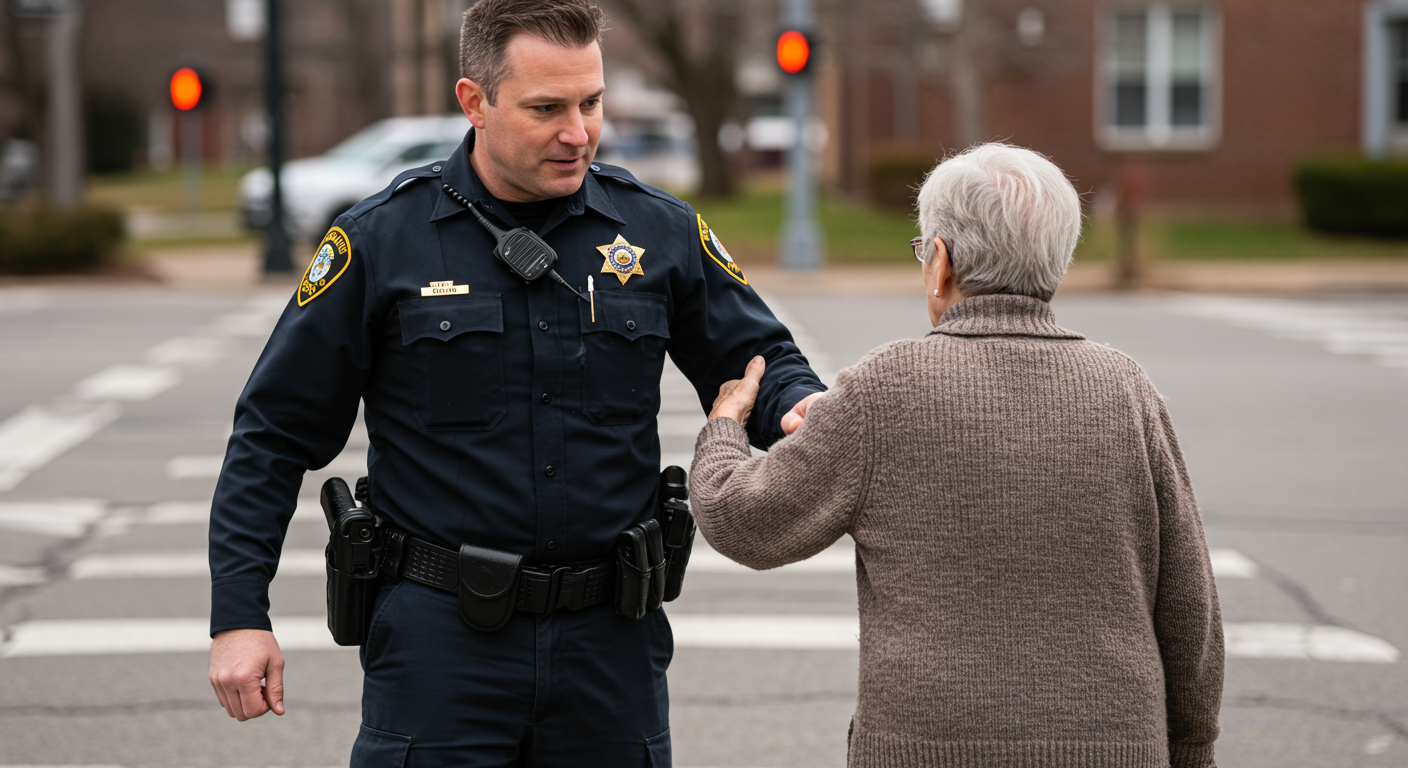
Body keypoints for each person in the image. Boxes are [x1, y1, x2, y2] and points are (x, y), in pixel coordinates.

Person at [205, 1, 825, 765]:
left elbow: (761, 359)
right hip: (440, 645)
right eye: (546, 108)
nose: (579, 132)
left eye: (591, 103)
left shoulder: (656, 231)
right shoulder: (382, 241)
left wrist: (802, 408)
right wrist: (239, 615)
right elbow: (272, 434)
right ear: (475, 102)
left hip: (612, 645)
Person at [691, 143, 1224, 768]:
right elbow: (1190, 605)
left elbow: (742, 521)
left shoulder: (885, 387)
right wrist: (1192, 748)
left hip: (927, 748)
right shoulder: (1125, 389)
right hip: (1115, 746)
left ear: (939, 261)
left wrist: (726, 423)